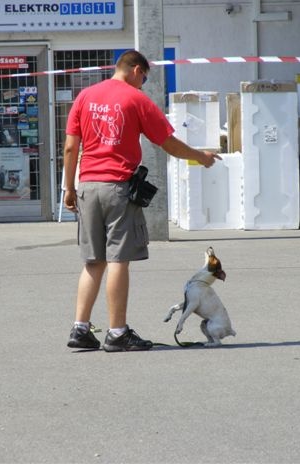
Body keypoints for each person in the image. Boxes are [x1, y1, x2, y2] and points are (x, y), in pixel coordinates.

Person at [63, 49, 221, 352]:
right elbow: (168, 143)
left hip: (87, 186)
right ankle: (117, 332)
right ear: (136, 69)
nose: (143, 84)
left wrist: (69, 188)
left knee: (92, 262)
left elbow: (71, 147)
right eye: (144, 78)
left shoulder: (85, 96)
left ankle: (80, 328)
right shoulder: (136, 100)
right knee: (117, 260)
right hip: (118, 189)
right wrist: (201, 157)